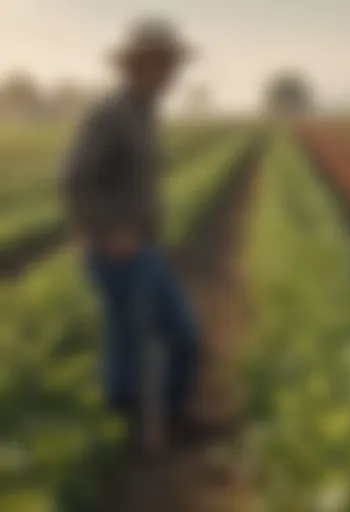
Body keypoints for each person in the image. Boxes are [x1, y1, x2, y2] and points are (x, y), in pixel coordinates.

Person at [61, 17, 202, 455]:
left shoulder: (142, 112)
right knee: (130, 343)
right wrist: (110, 233)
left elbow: (133, 185)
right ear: (139, 66)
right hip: (118, 251)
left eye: (172, 65)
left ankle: (171, 418)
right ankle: (130, 436)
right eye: (163, 65)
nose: (171, 75)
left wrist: (152, 236)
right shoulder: (112, 114)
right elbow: (77, 180)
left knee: (180, 335)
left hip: (143, 247)